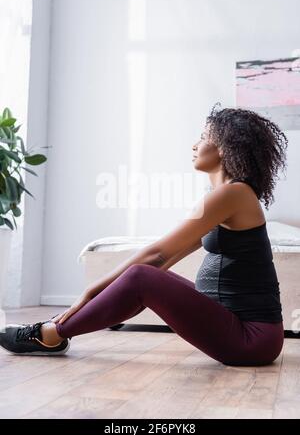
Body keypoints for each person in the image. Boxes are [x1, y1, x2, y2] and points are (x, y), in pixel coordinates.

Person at [0, 104, 288, 366]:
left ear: (224, 147)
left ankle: (51, 334)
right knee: (143, 278)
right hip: (237, 326)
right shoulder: (227, 195)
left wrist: (89, 292)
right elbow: (166, 260)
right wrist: (111, 294)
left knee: (140, 276)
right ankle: (57, 328)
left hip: (251, 338)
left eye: (203, 137)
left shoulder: (232, 193)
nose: (194, 145)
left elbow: (156, 254)